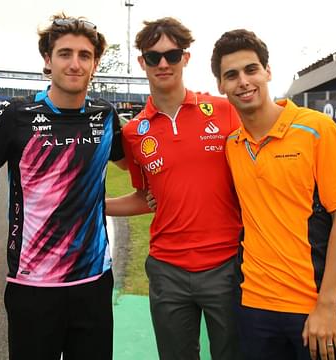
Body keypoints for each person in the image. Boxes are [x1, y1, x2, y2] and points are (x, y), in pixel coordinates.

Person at [210, 29, 336, 360]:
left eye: (251, 70)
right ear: (221, 86)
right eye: (231, 75)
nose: (243, 81)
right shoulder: (232, 146)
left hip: (314, 306)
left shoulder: (315, 129)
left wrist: (326, 304)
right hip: (253, 306)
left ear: (267, 72)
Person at [0, 14, 125, 360]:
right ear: (48, 59)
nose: (75, 64)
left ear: (95, 64)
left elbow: (135, 165)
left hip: (93, 282)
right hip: (33, 286)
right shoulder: (16, 115)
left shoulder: (105, 115)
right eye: (65, 53)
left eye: (84, 55)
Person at [106, 17, 243, 360]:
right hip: (168, 271)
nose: (163, 64)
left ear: (186, 58)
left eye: (172, 55)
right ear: (142, 63)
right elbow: (145, 198)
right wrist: (95, 204)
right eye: (153, 57)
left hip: (226, 265)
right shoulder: (134, 132)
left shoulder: (225, 112)